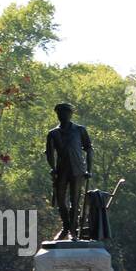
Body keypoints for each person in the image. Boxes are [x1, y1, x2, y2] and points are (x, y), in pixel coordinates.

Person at [45, 101, 93, 240]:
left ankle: (72, 229)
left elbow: (89, 149)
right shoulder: (53, 133)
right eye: (60, 113)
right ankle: (65, 227)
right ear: (57, 115)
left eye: (66, 113)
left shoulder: (80, 130)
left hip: (78, 170)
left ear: (70, 114)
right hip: (61, 171)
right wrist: (53, 169)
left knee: (75, 200)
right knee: (60, 200)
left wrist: (89, 169)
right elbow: (49, 153)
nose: (63, 115)